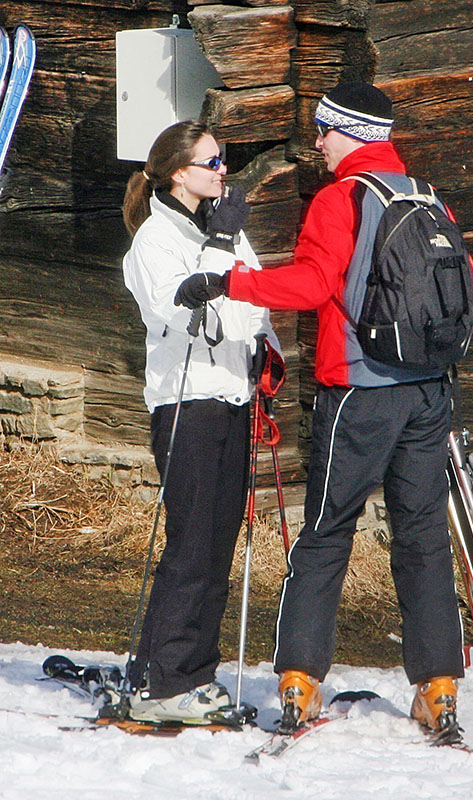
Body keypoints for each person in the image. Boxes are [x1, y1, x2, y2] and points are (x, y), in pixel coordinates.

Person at [175, 83, 473, 737]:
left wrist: (228, 281)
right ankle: (439, 689)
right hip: (430, 392)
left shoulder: (340, 199)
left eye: (324, 130)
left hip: (360, 392)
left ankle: (299, 683)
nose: (316, 142)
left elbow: (313, 284)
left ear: (353, 134)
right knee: (423, 538)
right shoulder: (427, 196)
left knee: (324, 535)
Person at [121, 120, 281, 724]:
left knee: (217, 541)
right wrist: (218, 245)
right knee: (192, 542)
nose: (223, 172)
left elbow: (253, 298)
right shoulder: (153, 242)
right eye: (212, 162)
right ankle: (166, 678)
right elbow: (177, 311)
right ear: (178, 171)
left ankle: (187, 671)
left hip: (234, 398)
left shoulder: (227, 231)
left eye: (225, 161)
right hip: (186, 403)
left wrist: (267, 356)